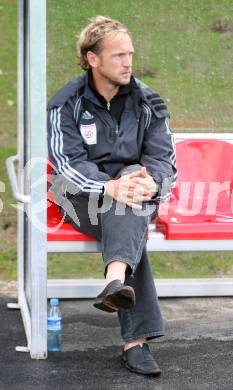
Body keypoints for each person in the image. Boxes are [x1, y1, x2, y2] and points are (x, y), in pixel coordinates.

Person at [47, 15, 176, 376]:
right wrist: (108, 185)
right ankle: (135, 342)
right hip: (78, 195)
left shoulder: (148, 100)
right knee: (125, 197)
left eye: (130, 54)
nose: (128, 62)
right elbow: (65, 164)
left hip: (133, 189)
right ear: (93, 58)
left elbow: (164, 158)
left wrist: (155, 183)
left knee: (130, 190)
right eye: (118, 55)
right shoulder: (66, 102)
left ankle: (115, 283)